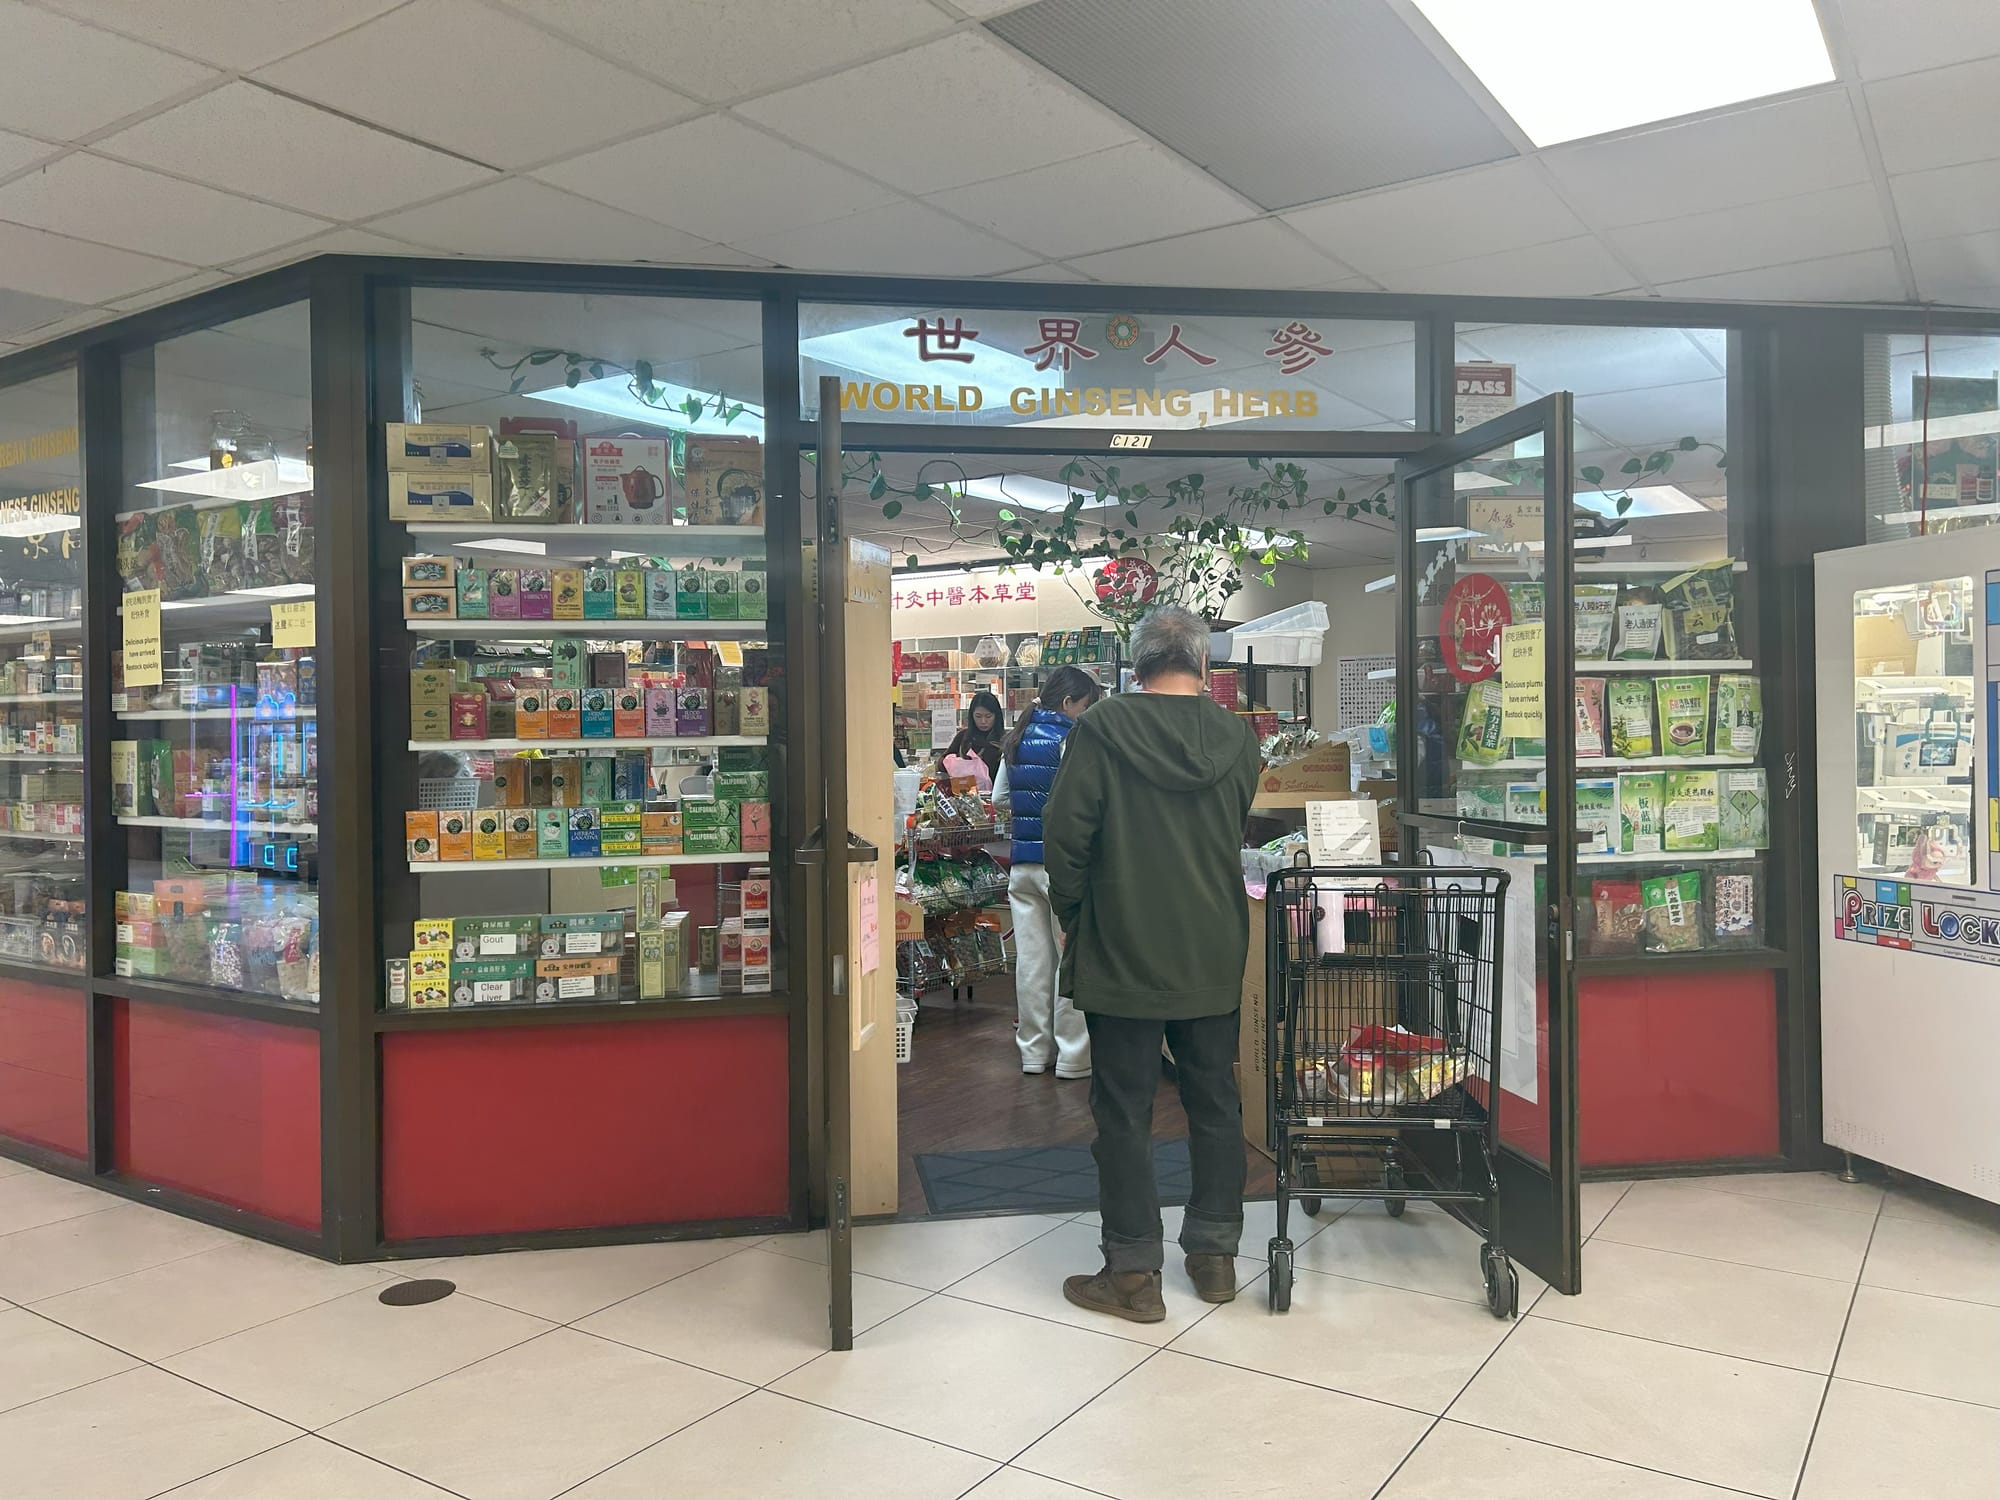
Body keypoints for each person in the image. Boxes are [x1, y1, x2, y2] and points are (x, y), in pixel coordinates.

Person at [1043, 605, 1260, 1323]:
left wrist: (1077, 917)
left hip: (1124, 943)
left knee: (1125, 1111)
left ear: (1136, 664)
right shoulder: (1237, 737)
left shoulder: (1102, 728)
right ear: (1202, 664)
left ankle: (1134, 1275)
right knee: (1215, 1104)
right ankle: (1216, 1256)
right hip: (1213, 943)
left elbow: (1065, 837)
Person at [992, 666, 1104, 1079]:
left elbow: (999, 796)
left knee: (1032, 963)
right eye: (1086, 705)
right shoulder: (1072, 739)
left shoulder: (1016, 739)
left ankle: (1033, 1054)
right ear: (1069, 703)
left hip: (1021, 866)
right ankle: (1073, 1057)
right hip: (1063, 867)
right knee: (1069, 960)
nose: (1087, 713)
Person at [943, 691, 1005, 784]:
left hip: (996, 794)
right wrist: (957, 763)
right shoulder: (964, 737)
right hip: (965, 794)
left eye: (988, 716)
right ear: (972, 716)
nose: (983, 721)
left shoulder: (1004, 740)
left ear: (996, 716)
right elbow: (943, 762)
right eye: (978, 716)